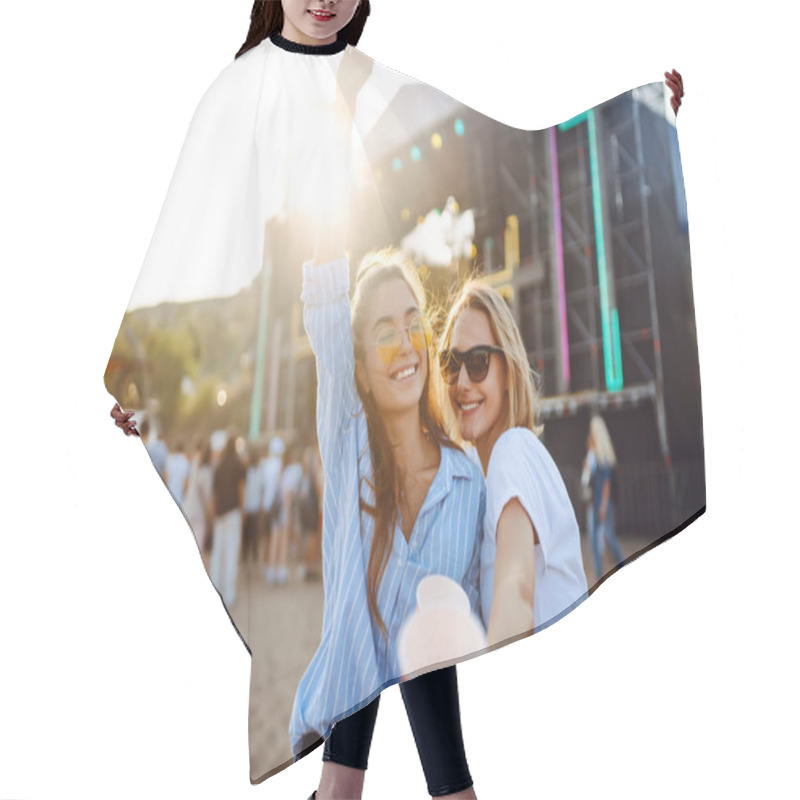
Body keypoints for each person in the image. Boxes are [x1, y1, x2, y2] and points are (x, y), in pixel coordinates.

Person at [437, 281, 588, 648]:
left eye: (477, 363)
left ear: (508, 371)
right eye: (451, 363)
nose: (461, 382)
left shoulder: (512, 449)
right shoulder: (482, 473)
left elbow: (516, 592)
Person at [584, 414, 625, 581]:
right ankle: (599, 572)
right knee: (594, 537)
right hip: (595, 501)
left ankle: (621, 564)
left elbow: (607, 483)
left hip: (602, 503)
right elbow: (587, 476)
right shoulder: (594, 453)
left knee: (608, 534)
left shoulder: (604, 456)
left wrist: (603, 504)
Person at [209, 431, 246, 608]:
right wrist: (243, 510)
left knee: (218, 553)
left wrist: (215, 512)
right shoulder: (238, 464)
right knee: (231, 553)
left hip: (220, 514)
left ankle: (216, 590)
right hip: (233, 512)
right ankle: (229, 595)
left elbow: (214, 492)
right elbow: (241, 490)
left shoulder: (219, 465)